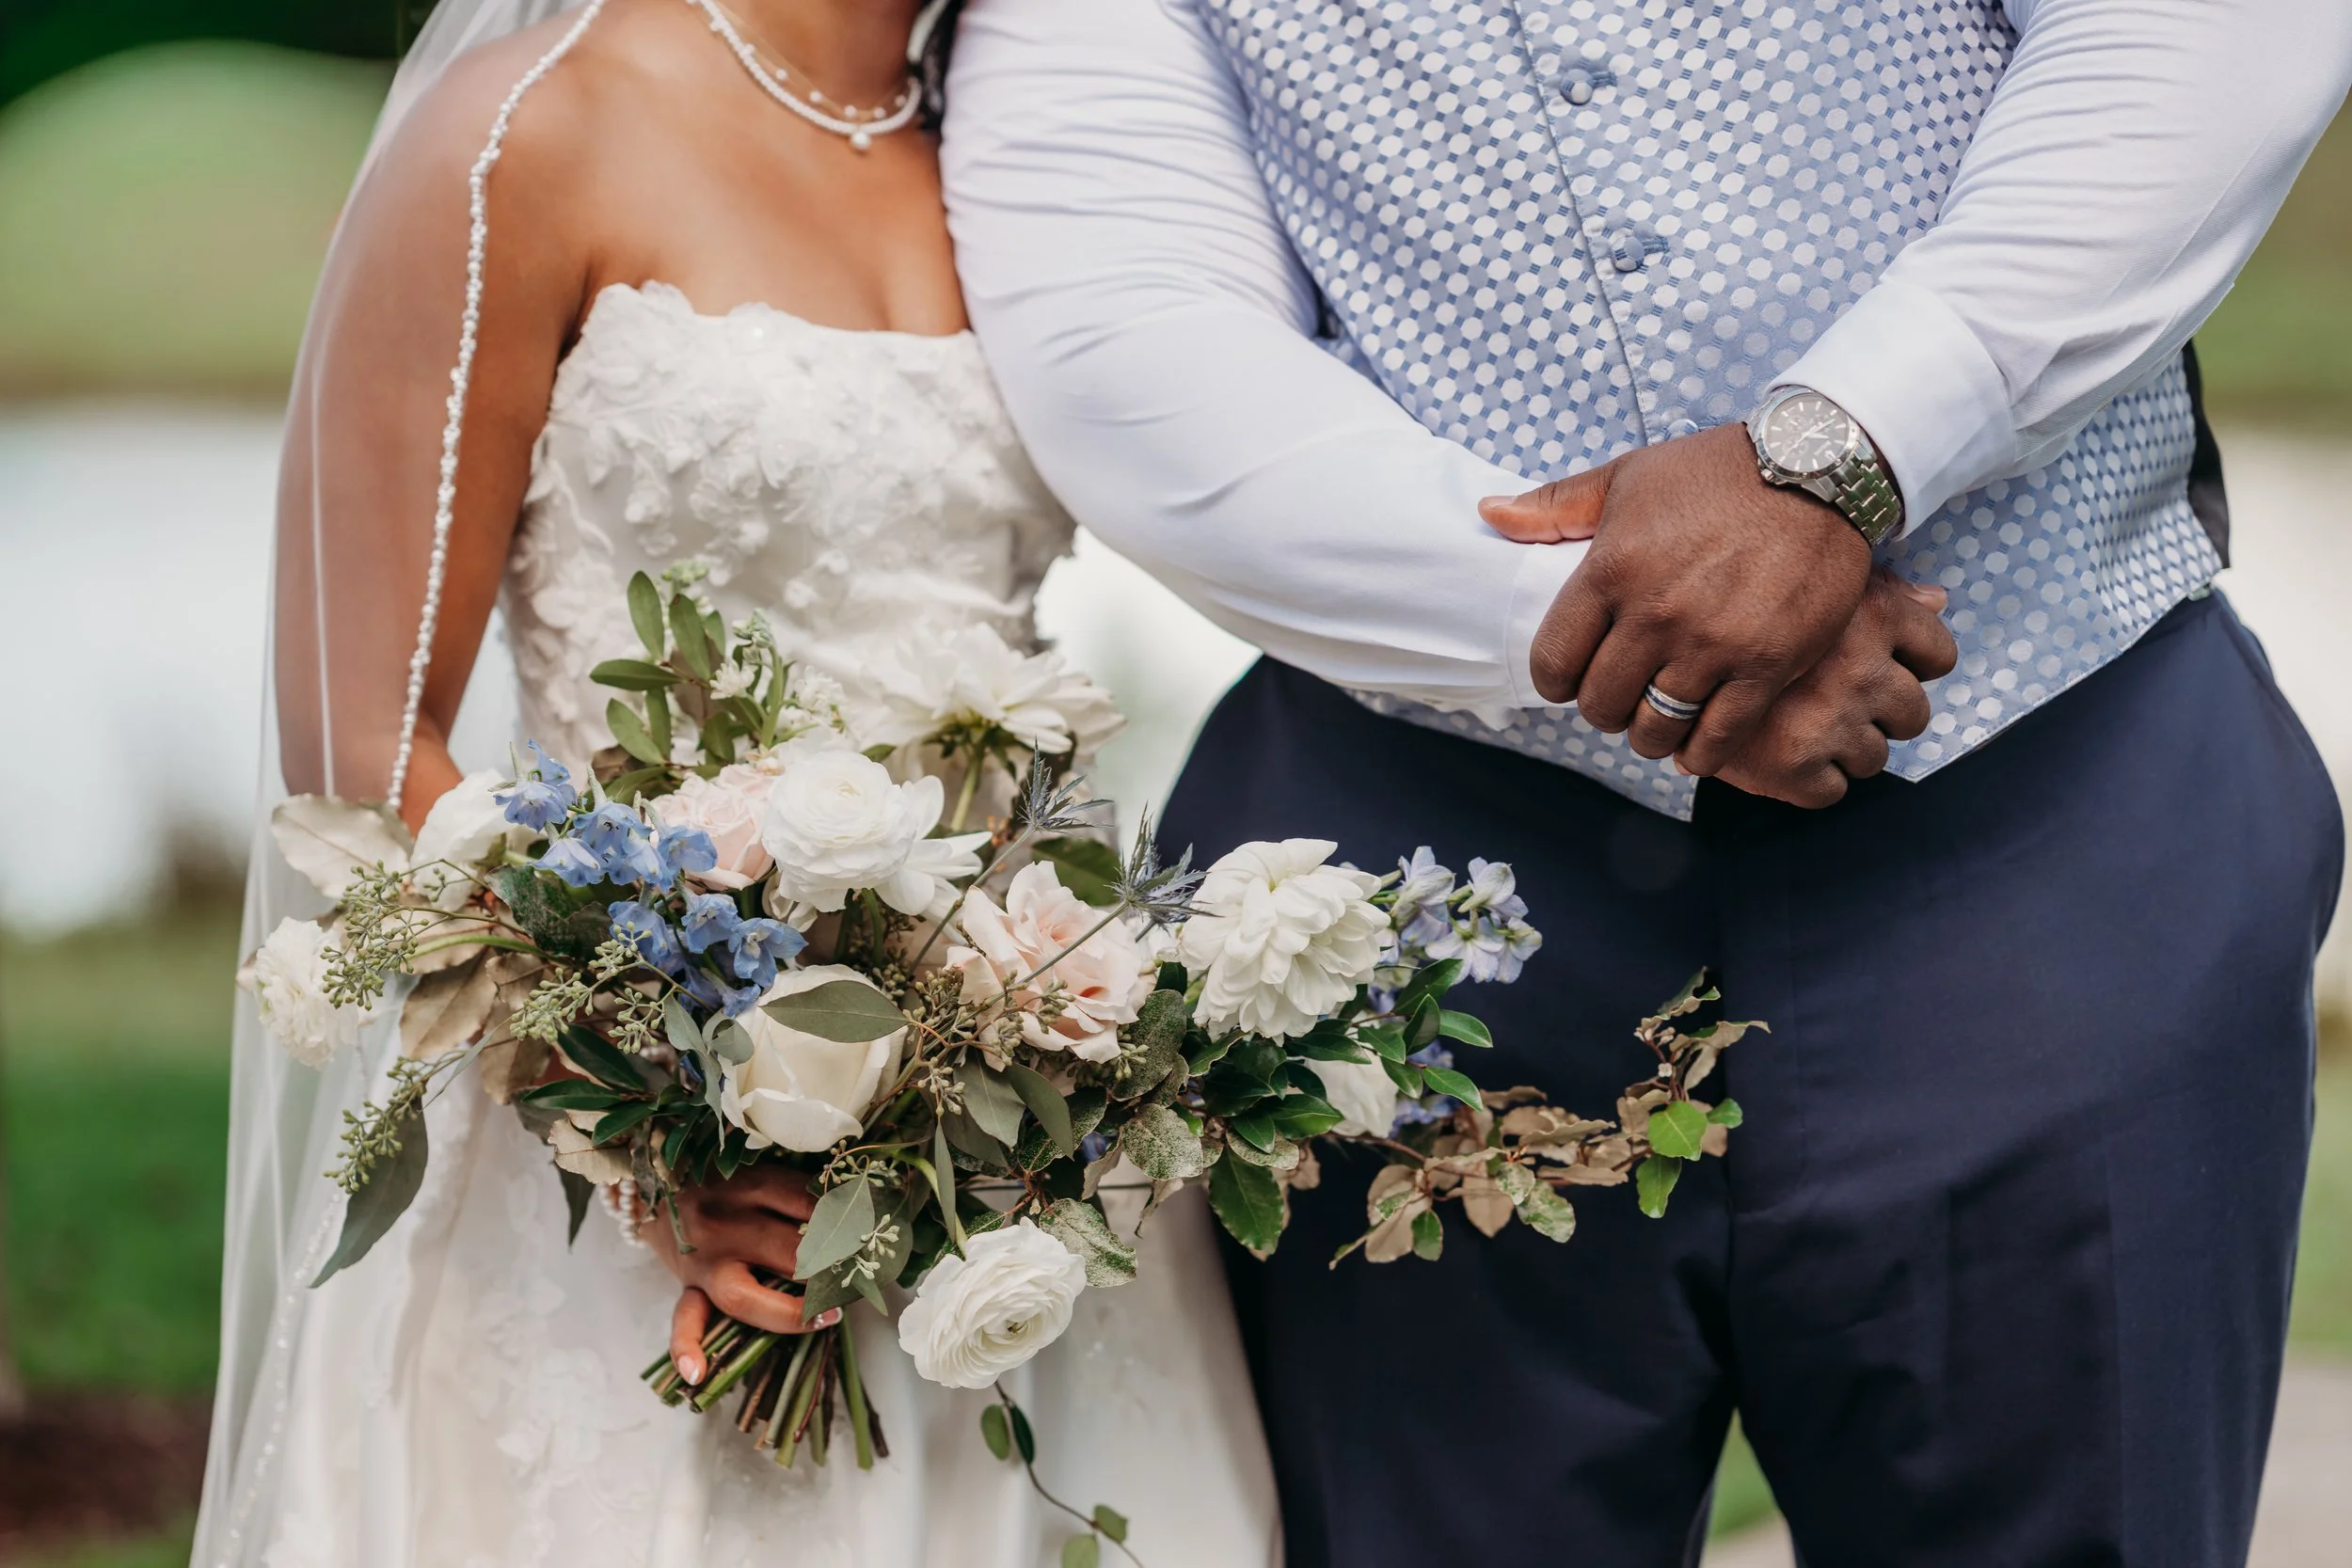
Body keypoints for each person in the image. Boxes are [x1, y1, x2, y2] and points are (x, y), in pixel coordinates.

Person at [943, 1, 2352, 1563]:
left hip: (2051, 815)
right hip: (1409, 904)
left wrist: (1842, 451)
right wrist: (1624, 626)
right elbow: (1128, 325)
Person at [195, 2, 1278, 1563]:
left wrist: (1033, 1039)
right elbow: (361, 746)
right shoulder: (527, 134)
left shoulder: (1046, 147)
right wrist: (661, 1137)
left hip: (1018, 1141)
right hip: (623, 1173)